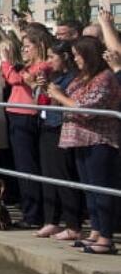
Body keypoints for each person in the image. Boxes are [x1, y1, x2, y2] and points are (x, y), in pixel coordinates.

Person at [45, 37, 121, 255]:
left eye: (78, 54)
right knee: (89, 188)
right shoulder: (82, 77)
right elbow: (71, 99)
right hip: (78, 139)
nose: (75, 58)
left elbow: (88, 108)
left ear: (89, 55)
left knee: (100, 188)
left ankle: (106, 237)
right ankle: (96, 231)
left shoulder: (105, 78)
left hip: (99, 139)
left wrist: (60, 96)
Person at [0, 30, 53, 228]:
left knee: (27, 165)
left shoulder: (43, 65)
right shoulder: (28, 65)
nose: (24, 51)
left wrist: (5, 61)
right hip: (15, 115)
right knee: (21, 166)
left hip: (26, 117)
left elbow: (14, 79)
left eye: (27, 47)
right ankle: (28, 208)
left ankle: (33, 215)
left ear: (39, 46)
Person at [33, 42, 83, 239]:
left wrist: (54, 92)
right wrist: (43, 88)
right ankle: (51, 220)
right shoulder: (54, 76)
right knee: (48, 176)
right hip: (47, 126)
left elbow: (69, 101)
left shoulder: (73, 78)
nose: (48, 62)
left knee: (63, 175)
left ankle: (73, 225)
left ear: (64, 58)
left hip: (61, 127)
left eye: (52, 57)